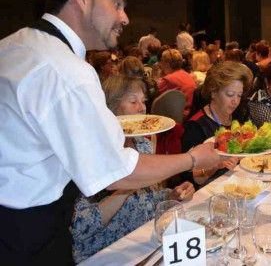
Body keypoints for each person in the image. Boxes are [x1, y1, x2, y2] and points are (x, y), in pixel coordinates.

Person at [0, 0, 220, 264]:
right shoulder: (65, 69)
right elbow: (117, 173)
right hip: (27, 232)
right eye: (116, 4)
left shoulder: (15, 44)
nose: (125, 18)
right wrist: (194, 158)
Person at [71, 75, 195, 263]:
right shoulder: (90, 154)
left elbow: (150, 197)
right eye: (133, 101)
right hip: (105, 253)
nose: (143, 108)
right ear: (111, 109)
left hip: (144, 243)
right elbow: (80, 228)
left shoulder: (143, 145)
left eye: (143, 101)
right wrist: (128, 186)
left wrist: (172, 196)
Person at [182, 61, 254, 187]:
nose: (235, 101)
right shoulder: (196, 126)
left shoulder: (239, 115)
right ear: (213, 92)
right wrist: (216, 166)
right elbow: (192, 180)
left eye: (239, 95)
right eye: (230, 94)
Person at [156, 48, 197, 118]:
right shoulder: (186, 74)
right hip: (190, 114)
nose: (160, 64)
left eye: (161, 61)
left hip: (178, 117)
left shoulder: (168, 80)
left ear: (167, 64)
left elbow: (155, 96)